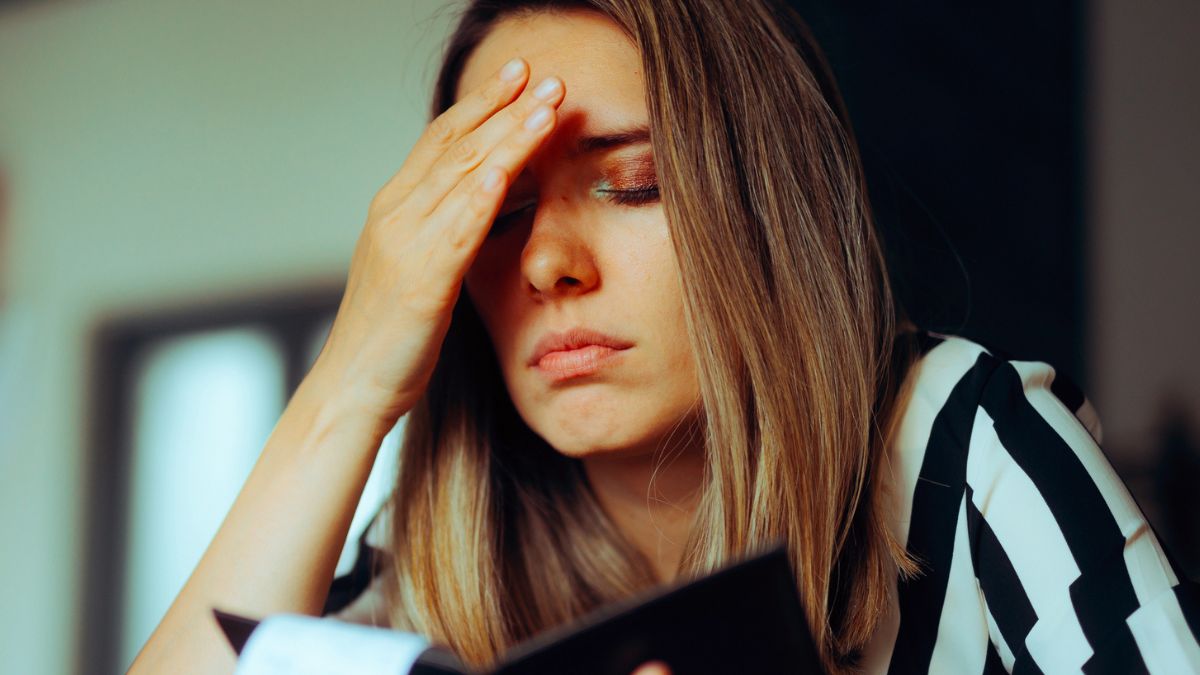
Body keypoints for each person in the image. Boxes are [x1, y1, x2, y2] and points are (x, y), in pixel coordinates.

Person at [129, 1, 1200, 673]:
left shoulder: (965, 440)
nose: (546, 263)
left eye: (633, 182)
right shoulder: (433, 555)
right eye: (496, 215)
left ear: (763, 208)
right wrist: (348, 386)